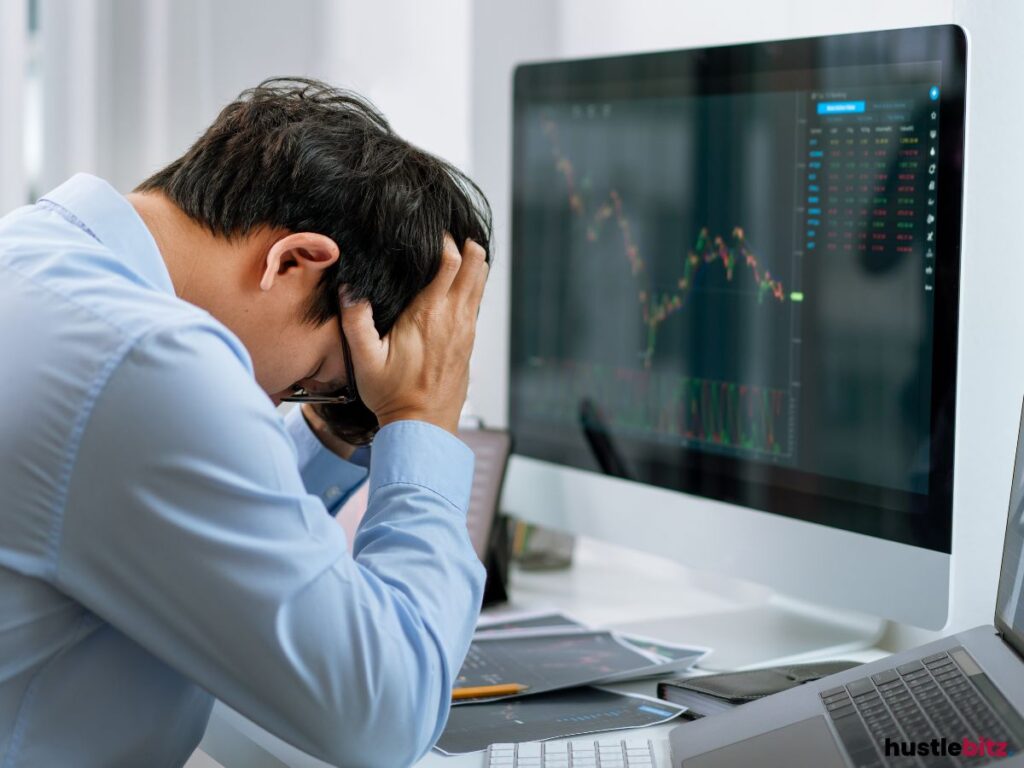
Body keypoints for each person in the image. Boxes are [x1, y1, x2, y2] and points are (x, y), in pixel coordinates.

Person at [0, 78, 492, 767]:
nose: (279, 401)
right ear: (294, 260)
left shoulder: (35, 258)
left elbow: (176, 506)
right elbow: (382, 717)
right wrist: (422, 419)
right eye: (307, 383)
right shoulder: (148, 361)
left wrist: (333, 424)